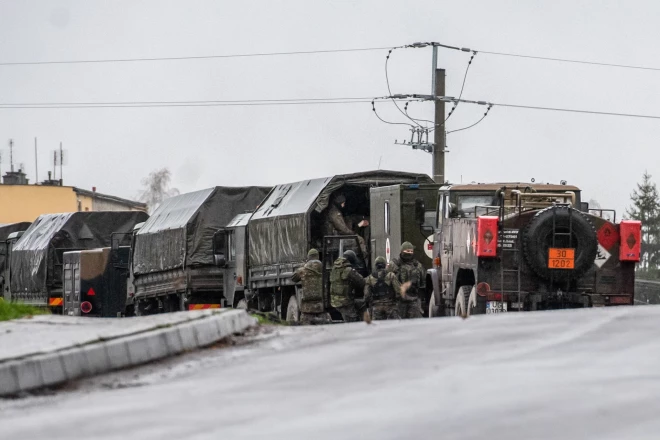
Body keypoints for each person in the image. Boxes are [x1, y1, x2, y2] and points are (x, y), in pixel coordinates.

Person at [291, 249, 329, 325]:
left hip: (307, 308)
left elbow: (293, 278)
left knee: (307, 332)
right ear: (317, 257)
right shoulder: (324, 270)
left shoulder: (303, 270)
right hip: (321, 307)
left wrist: (303, 265)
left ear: (308, 257)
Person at [388, 242, 425, 319]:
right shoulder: (394, 265)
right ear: (402, 251)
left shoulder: (417, 265)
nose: (409, 253)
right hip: (399, 302)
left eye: (411, 251)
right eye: (407, 251)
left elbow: (422, 283)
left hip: (414, 300)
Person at [330, 250, 366, 322]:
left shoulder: (335, 268)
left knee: (358, 304)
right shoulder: (348, 270)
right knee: (353, 321)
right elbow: (362, 282)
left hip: (334, 300)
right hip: (345, 302)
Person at [364, 256, 401, 320]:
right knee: (394, 326)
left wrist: (371, 303)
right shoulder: (391, 275)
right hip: (390, 305)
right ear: (384, 265)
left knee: (378, 327)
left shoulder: (369, 278)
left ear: (376, 265)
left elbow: (366, 294)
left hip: (376, 306)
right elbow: (398, 290)